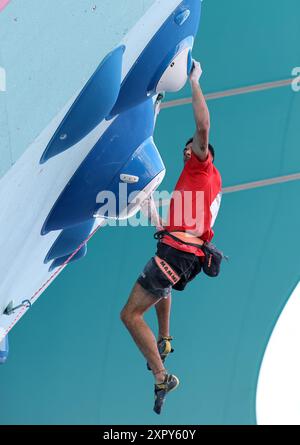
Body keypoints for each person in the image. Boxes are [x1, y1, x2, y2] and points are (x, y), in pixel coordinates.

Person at [120, 61, 222, 414]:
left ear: (200, 152)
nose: (186, 153)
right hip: (183, 255)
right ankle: (164, 338)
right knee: (162, 279)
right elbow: (181, 226)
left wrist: (194, 81)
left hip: (179, 253)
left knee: (131, 316)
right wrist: (152, 212)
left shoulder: (200, 164)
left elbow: (203, 125)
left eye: (190, 148)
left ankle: (161, 375)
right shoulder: (207, 186)